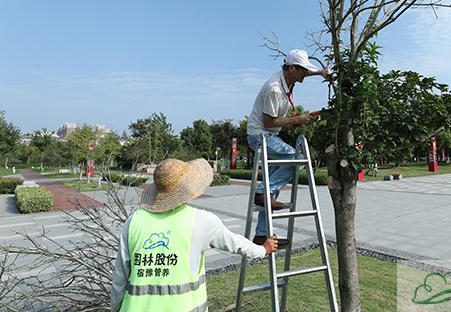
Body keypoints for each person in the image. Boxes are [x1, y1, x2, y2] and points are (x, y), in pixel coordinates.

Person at [111, 158, 278, 312]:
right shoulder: (201, 221)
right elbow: (235, 243)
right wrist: (262, 249)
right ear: (189, 187)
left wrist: (115, 308)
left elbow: (120, 277)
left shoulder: (134, 221)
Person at [247, 49, 330, 246]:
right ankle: (260, 193)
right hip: (259, 135)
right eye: (302, 71)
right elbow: (268, 122)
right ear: (291, 68)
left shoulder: (290, 80)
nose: (304, 75)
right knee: (297, 158)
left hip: (269, 135)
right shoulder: (274, 88)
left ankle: (261, 235)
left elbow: (306, 73)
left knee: (272, 187)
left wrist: (320, 72)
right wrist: (297, 118)